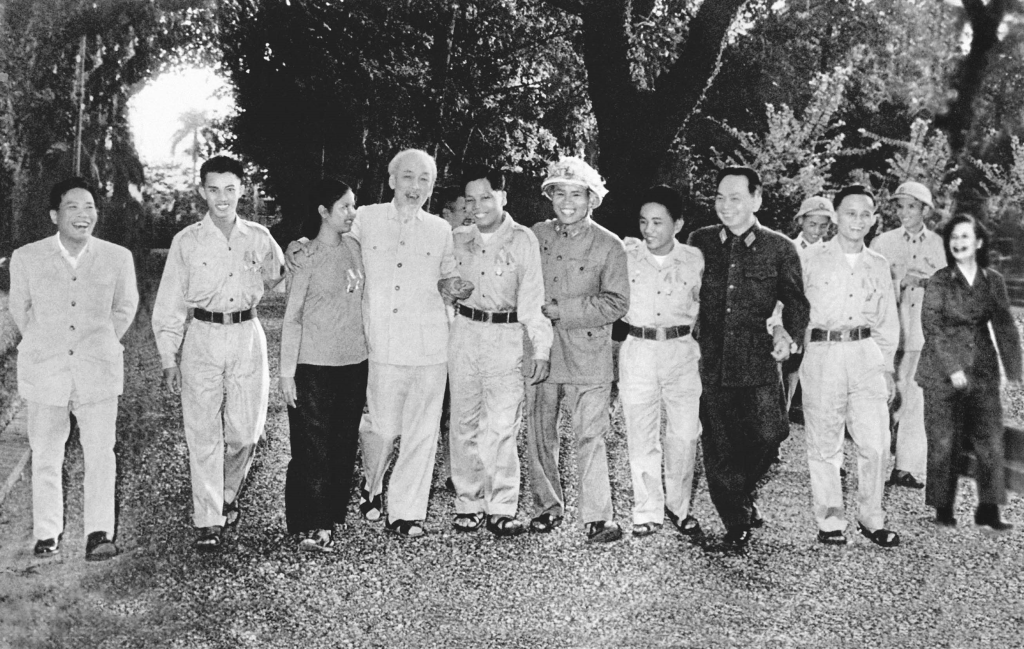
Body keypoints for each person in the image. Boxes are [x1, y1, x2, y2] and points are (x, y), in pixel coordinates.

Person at [287, 149, 464, 539]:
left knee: (422, 433)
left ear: (431, 186)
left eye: (424, 179)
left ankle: (406, 513)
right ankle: (372, 484)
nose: (415, 186)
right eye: (408, 177)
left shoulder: (440, 229)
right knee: (381, 429)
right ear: (392, 180)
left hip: (430, 346)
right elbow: (330, 240)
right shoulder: (366, 218)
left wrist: (452, 285)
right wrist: (300, 242)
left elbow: (447, 274)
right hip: (380, 344)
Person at [152, 156, 285, 552]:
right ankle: (208, 519)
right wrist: (168, 358)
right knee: (203, 432)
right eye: (213, 189)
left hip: (247, 335)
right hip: (202, 336)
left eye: (230, 189)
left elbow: (281, 279)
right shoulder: (187, 241)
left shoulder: (259, 237)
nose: (222, 198)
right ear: (202, 191)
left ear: (242, 190)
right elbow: (170, 303)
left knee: (246, 432)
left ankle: (226, 493)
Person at [9, 177, 139, 560]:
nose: (83, 215)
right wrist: (47, 343)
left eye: (89, 207)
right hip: (46, 370)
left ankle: (99, 533)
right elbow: (21, 309)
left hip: (97, 370)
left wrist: (101, 341)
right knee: (46, 453)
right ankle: (47, 533)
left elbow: (125, 307)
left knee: (101, 452)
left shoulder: (117, 257)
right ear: (55, 215)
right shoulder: (27, 257)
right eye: (73, 207)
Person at [686, 166, 809, 550]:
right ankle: (735, 521)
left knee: (771, 434)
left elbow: (796, 303)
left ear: (756, 200)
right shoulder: (700, 242)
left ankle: (739, 491)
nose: (726, 206)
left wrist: (789, 335)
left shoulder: (780, 248)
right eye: (720, 197)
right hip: (711, 361)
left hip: (758, 360)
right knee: (719, 444)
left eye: (735, 198)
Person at [526, 156, 629, 543]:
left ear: (591, 199)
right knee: (540, 433)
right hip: (541, 352)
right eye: (559, 193)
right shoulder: (535, 235)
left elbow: (617, 303)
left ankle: (598, 518)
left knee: (590, 435)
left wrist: (564, 311)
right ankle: (547, 507)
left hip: (588, 355)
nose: (567, 202)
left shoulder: (610, 245)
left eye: (576, 194)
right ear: (549, 196)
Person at [447, 166, 551, 537]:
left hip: (506, 336)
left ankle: (501, 508)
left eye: (486, 197)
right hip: (464, 333)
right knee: (463, 423)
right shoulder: (457, 239)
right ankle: (468, 503)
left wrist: (541, 349)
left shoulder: (523, 240)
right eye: (470, 200)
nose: (478, 206)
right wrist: (447, 289)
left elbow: (533, 299)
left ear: (502, 197)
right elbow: (435, 281)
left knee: (503, 425)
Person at [800, 185, 901, 548]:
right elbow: (787, 308)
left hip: (865, 354)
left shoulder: (879, 264)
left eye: (865, 214)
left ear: (874, 220)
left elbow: (887, 323)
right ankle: (830, 522)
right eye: (850, 213)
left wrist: (887, 369)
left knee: (876, 443)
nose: (857, 221)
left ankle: (872, 518)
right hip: (823, 353)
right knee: (824, 443)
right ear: (836, 217)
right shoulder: (810, 259)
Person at [917, 214, 1022, 534]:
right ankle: (943, 508)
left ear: (978, 242)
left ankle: (989, 509)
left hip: (983, 371)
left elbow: (1004, 325)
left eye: (965, 237)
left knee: (990, 442)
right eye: (953, 237)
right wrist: (953, 369)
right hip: (941, 372)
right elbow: (932, 327)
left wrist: (1014, 372)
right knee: (943, 442)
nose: (958, 243)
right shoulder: (940, 280)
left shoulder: (993, 280)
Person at [279, 179, 368, 552]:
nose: (352, 212)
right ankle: (314, 524)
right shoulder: (305, 256)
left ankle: (328, 516)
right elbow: (292, 317)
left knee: (343, 444)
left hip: (354, 362)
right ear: (323, 212)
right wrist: (286, 373)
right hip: (313, 365)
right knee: (312, 446)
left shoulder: (354, 248)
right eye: (345, 206)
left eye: (353, 205)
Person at [619, 185, 704, 538]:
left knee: (684, 434)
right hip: (638, 348)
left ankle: (678, 507)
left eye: (658, 222)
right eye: (643, 222)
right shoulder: (626, 256)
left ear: (678, 224)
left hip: (681, 350)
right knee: (641, 434)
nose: (648, 230)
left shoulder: (695, 260)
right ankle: (646, 509)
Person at [870, 181, 945, 490]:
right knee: (880, 396)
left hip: (920, 334)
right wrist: (901, 281)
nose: (904, 212)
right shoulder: (882, 243)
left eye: (911, 206)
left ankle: (906, 467)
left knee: (915, 398)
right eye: (900, 206)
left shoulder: (939, 245)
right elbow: (869, 285)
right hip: (886, 333)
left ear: (925, 210)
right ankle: (873, 462)